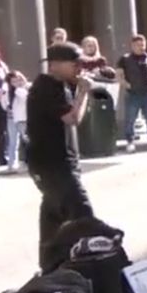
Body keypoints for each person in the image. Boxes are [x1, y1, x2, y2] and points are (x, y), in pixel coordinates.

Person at [27, 43, 95, 268]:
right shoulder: (47, 87)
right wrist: (84, 91)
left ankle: (49, 265)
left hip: (58, 162)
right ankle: (98, 264)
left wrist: (80, 92)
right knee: (83, 215)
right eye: (74, 64)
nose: (79, 68)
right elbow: (71, 119)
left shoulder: (62, 85)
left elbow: (76, 119)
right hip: (53, 163)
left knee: (53, 214)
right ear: (55, 65)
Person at [115, 34, 147, 152]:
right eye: (138, 45)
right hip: (133, 93)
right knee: (130, 119)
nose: (141, 47)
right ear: (132, 46)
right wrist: (126, 84)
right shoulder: (124, 59)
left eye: (143, 44)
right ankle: (130, 142)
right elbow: (119, 75)